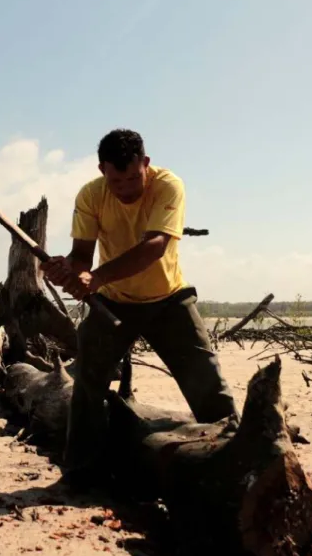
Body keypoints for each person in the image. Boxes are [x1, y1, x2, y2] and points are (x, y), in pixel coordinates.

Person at [41, 128, 240, 489]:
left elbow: (156, 246)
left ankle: (242, 456)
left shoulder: (168, 185)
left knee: (206, 379)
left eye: (133, 177)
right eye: (117, 180)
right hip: (112, 301)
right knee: (89, 382)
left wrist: (95, 277)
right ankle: (82, 472)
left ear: (145, 164)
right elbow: (82, 257)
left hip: (169, 300)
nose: (127, 187)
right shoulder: (90, 195)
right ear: (102, 170)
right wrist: (67, 270)